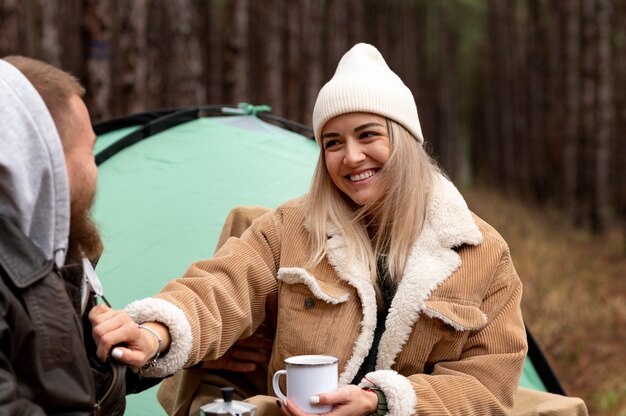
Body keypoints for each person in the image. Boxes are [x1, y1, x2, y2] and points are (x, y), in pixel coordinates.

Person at [90, 43, 528, 415]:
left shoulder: (481, 253)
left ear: (406, 141)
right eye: (332, 142)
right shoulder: (291, 228)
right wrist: (154, 333)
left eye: (368, 135)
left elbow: (487, 384)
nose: (350, 157)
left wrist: (380, 402)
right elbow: (220, 287)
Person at [0, 56, 154, 414]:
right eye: (89, 149)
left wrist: (149, 346)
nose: (95, 168)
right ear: (45, 159)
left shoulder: (49, 259)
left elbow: (70, 385)